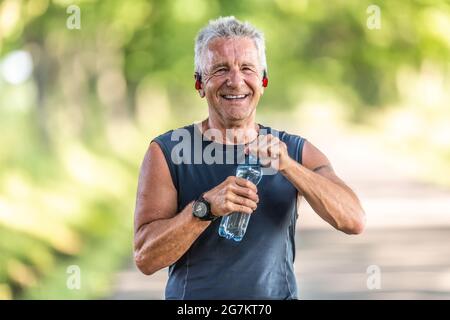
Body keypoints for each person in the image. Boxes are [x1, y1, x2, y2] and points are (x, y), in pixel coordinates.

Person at [133, 16, 365, 300]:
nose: (235, 80)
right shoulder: (166, 152)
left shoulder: (294, 150)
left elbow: (353, 220)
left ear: (263, 80)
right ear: (199, 83)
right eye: (220, 69)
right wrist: (205, 208)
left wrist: (289, 167)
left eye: (247, 68)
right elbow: (146, 258)